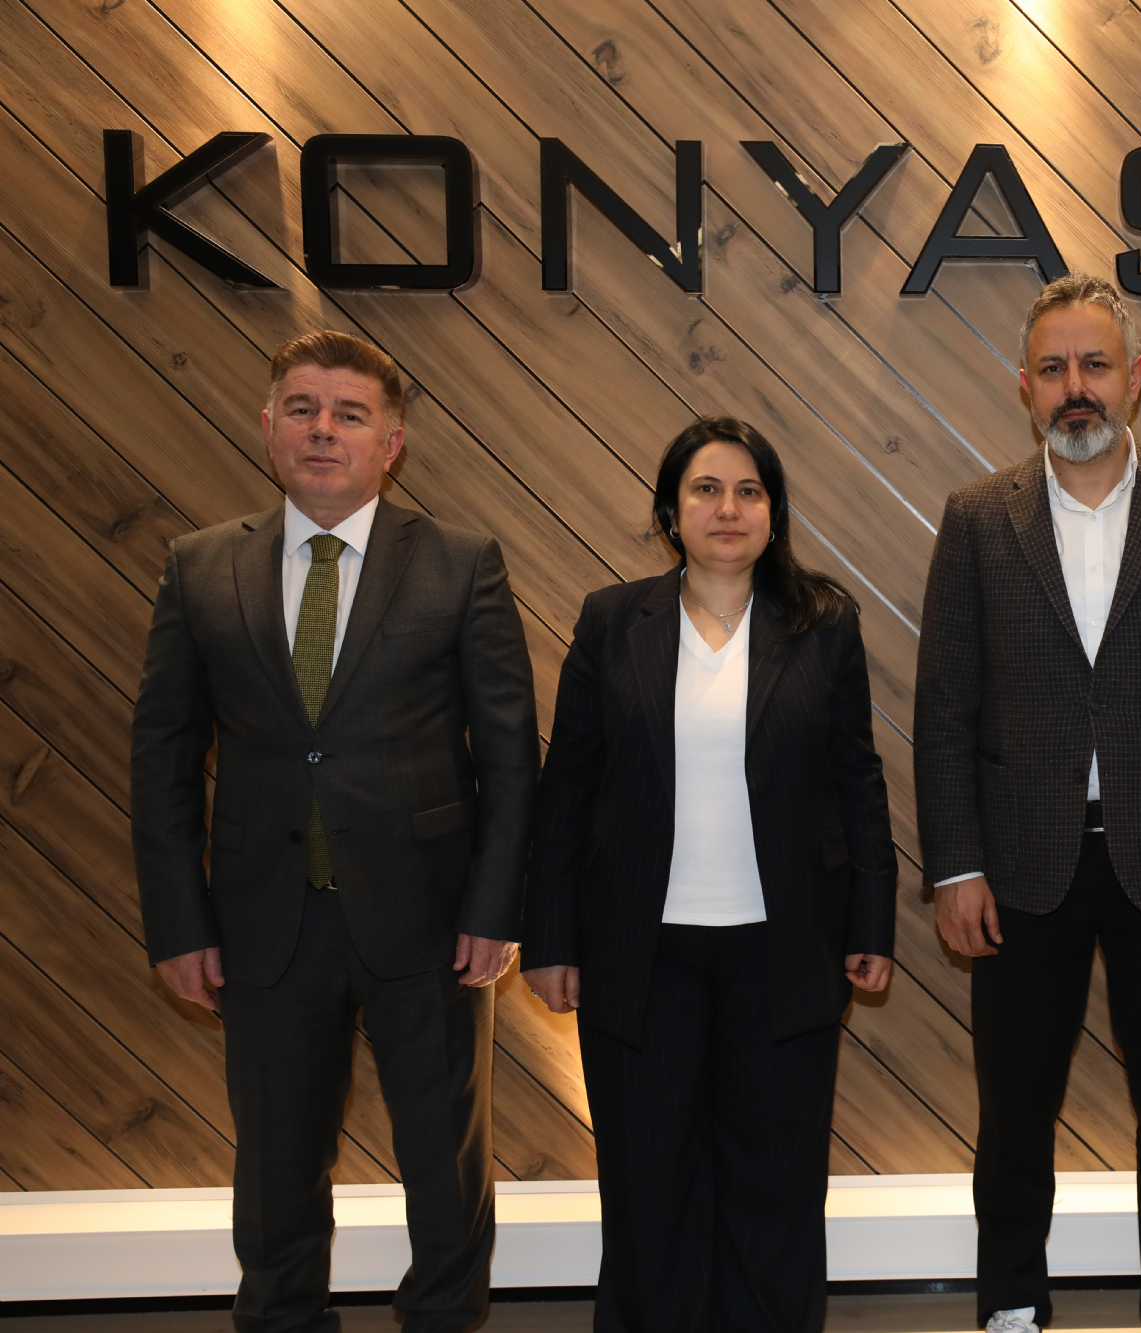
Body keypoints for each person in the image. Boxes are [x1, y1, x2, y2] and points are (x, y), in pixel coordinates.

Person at [131, 330, 539, 1333]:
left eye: (349, 414)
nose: (323, 429)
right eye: (303, 409)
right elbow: (163, 757)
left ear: (390, 444)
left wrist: (497, 908)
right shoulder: (199, 567)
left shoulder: (460, 564)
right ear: (268, 427)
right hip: (265, 924)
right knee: (275, 1162)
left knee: (444, 1159)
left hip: (432, 922)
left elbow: (509, 755)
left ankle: (443, 1319)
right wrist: (178, 922)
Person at [915, 274, 1141, 1333]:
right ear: (1024, 387)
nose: (1077, 386)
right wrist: (954, 866)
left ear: (1135, 378)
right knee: (1013, 1110)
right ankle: (1011, 1306)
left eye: (1095, 365)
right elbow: (944, 710)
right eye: (1054, 368)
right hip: (1020, 868)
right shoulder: (976, 519)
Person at [519, 415, 896, 1333]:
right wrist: (551, 936)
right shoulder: (614, 620)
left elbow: (857, 781)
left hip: (786, 951)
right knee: (649, 1188)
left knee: (777, 1189)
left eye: (749, 491)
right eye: (706, 489)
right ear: (670, 512)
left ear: (774, 513)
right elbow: (567, 785)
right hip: (640, 957)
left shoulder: (824, 624)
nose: (729, 508)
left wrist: (871, 925)